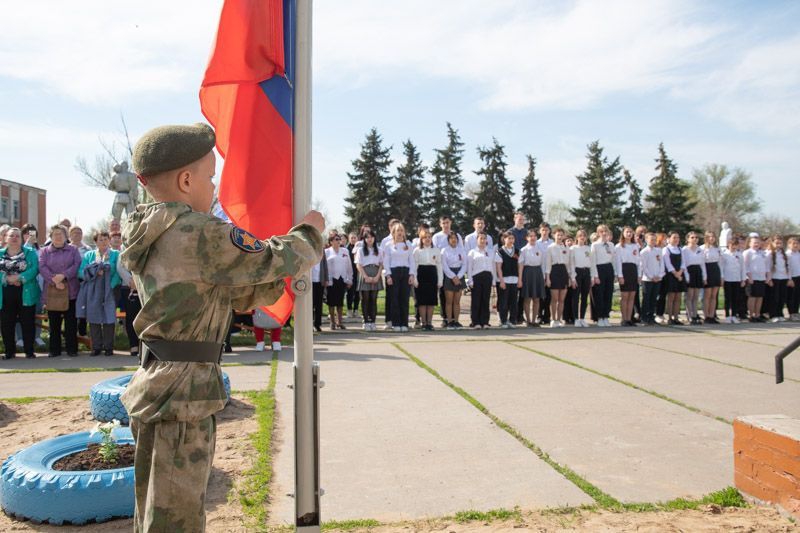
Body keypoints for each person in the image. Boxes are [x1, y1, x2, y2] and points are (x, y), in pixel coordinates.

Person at [119, 123, 324, 532]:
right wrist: (310, 232)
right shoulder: (197, 232)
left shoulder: (150, 230)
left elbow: (211, 294)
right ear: (186, 179)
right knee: (174, 519)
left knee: (153, 511)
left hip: (160, 387)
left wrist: (268, 289)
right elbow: (269, 258)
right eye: (211, 176)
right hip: (182, 396)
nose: (213, 187)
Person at [38, 225, 82, 357]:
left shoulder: (73, 250)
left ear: (66, 236)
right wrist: (54, 280)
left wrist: (63, 276)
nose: (58, 236)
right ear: (50, 237)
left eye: (61, 234)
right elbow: (42, 267)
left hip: (71, 291)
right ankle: (54, 350)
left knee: (71, 323)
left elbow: (77, 265)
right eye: (55, 234)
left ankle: (72, 349)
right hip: (52, 292)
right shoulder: (44, 251)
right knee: (54, 324)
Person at [78, 231, 121, 356]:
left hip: (111, 290)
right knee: (94, 318)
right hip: (93, 291)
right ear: (95, 242)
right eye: (100, 240)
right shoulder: (89, 255)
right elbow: (80, 272)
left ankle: (108, 347)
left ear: (109, 241)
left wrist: (110, 286)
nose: (103, 242)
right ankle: (96, 347)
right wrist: (94, 272)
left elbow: (118, 273)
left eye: (105, 239)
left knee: (109, 318)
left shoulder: (116, 254)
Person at [0, 228, 40, 359]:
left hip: (26, 291)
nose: (15, 238)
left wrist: (19, 278)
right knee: (7, 323)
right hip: (5, 292)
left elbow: (34, 269)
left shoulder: (30, 252)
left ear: (21, 238)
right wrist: (7, 279)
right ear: (6, 238)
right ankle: (9, 352)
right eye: (11, 236)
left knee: (27, 322)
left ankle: (29, 351)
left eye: (17, 236)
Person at [384, 223, 416, 332]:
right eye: (398, 230)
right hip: (394, 272)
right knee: (394, 299)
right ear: (393, 232)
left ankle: (404, 323)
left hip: (405, 272)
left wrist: (412, 274)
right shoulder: (389, 245)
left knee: (404, 299)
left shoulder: (408, 244)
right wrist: (388, 275)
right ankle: (396, 323)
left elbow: (411, 260)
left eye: (401, 230)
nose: (400, 233)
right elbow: (386, 262)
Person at [412, 228, 442, 331]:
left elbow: (439, 266)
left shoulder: (436, 250)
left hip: (432, 275)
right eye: (425, 237)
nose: (428, 239)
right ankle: (423, 322)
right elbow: (414, 266)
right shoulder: (417, 250)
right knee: (422, 301)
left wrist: (440, 280)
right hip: (421, 275)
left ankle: (429, 322)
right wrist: (415, 279)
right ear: (421, 239)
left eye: (429, 237)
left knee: (431, 301)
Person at [355, 229, 383, 331]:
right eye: (367, 237)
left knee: (373, 299)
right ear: (364, 239)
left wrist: (377, 276)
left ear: (374, 238)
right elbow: (358, 264)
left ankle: (373, 321)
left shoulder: (379, 250)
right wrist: (365, 276)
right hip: (365, 273)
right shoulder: (360, 250)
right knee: (365, 299)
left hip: (376, 273)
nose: (369, 239)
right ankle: (366, 321)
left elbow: (381, 264)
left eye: (371, 237)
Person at [544, 228, 572, 328]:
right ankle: (553, 319)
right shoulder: (550, 248)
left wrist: (570, 277)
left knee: (561, 299)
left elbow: (568, 264)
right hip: (554, 272)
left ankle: (559, 319)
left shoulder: (566, 248)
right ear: (554, 235)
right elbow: (548, 264)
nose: (559, 237)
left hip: (563, 272)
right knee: (554, 298)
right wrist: (547, 277)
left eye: (561, 235)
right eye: (558, 235)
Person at [325, 233, 353, 330]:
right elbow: (325, 268)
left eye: (339, 239)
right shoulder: (327, 252)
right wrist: (325, 280)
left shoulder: (345, 251)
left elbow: (349, 266)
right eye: (336, 239)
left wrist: (350, 279)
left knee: (340, 302)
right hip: (331, 280)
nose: (338, 241)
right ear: (331, 241)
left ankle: (340, 322)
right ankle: (332, 322)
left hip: (342, 279)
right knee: (331, 302)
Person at [466, 232, 494, 329]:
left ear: (487, 240)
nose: (482, 240)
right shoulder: (472, 252)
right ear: (477, 240)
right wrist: (470, 281)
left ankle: (485, 321)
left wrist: (493, 280)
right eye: (480, 238)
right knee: (476, 300)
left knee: (485, 300)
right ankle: (476, 321)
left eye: (484, 238)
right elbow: (469, 268)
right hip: (476, 277)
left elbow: (493, 266)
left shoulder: (490, 252)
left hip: (487, 277)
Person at [518, 229, 545, 327]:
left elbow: (543, 264)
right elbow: (521, 265)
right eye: (531, 236)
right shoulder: (523, 250)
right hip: (527, 273)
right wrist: (520, 279)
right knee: (527, 298)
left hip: (537, 273)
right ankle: (528, 320)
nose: (533, 238)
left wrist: (544, 277)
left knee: (536, 299)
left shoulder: (540, 250)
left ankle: (534, 320)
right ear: (527, 238)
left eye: (534, 236)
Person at [614, 226, 641, 326]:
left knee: (632, 296)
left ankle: (629, 318)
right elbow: (618, 262)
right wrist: (620, 275)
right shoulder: (619, 246)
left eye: (631, 232)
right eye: (627, 232)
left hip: (633, 270)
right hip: (624, 270)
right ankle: (624, 318)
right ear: (623, 233)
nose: (629, 234)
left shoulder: (635, 246)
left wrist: (639, 275)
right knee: (625, 296)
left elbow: (638, 261)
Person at [117, 253, 142, 356]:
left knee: (144, 318)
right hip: (128, 287)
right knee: (131, 317)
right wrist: (131, 281)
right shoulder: (123, 249)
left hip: (144, 285)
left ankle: (144, 345)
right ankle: (133, 345)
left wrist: (140, 281)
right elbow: (120, 267)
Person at [590, 225, 615, 327]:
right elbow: (593, 261)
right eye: (601, 232)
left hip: (609, 268)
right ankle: (599, 317)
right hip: (599, 269)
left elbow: (613, 259)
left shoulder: (611, 244)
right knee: (599, 294)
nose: (604, 233)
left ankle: (606, 316)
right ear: (598, 233)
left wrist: (615, 273)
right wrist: (595, 276)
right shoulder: (595, 245)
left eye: (605, 231)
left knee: (608, 294)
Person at [442, 231, 466, 329]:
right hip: (449, 275)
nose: (454, 240)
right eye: (451, 238)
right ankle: (449, 321)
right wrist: (453, 276)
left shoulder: (461, 250)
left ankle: (456, 321)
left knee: (457, 301)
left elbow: (464, 265)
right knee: (449, 301)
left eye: (455, 238)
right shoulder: (444, 250)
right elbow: (444, 266)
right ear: (448, 240)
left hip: (459, 275)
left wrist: (459, 276)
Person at [495, 231, 519, 328]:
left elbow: (519, 266)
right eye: (509, 238)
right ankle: (503, 320)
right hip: (504, 280)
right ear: (504, 239)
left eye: (512, 238)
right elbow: (498, 268)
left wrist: (520, 279)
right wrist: (501, 281)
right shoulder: (500, 251)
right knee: (503, 302)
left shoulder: (517, 251)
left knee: (513, 302)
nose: (511, 240)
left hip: (514, 280)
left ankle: (512, 321)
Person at [743, 234, 770, 322]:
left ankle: (757, 314)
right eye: (754, 242)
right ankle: (751, 315)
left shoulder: (762, 253)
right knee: (752, 297)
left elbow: (767, 266)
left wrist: (768, 276)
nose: (756, 244)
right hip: (752, 278)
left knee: (760, 297)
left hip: (761, 278)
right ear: (750, 243)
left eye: (758, 242)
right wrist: (749, 277)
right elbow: (745, 266)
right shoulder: (747, 252)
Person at [682, 232, 707, 325]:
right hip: (689, 271)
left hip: (698, 271)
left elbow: (702, 264)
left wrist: (704, 276)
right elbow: (683, 263)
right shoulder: (684, 250)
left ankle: (695, 314)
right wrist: (687, 276)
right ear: (688, 239)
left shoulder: (700, 249)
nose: (695, 239)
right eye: (692, 237)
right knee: (689, 295)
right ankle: (689, 315)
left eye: (696, 237)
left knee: (696, 296)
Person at [639, 232, 664, 326]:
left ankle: (651, 317)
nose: (653, 241)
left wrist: (660, 275)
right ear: (646, 240)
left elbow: (662, 264)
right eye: (651, 239)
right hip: (647, 279)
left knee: (654, 299)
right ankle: (644, 317)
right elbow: (644, 267)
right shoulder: (644, 252)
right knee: (647, 299)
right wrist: (651, 276)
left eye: (654, 239)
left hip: (657, 279)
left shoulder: (658, 251)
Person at [663, 231, 687, 325]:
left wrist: (680, 272)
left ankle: (676, 317)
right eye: (674, 237)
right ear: (669, 239)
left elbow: (683, 262)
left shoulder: (680, 250)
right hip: (671, 275)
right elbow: (668, 264)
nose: (676, 239)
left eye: (677, 237)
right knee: (671, 297)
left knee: (678, 297)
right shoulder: (666, 249)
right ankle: (670, 318)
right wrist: (676, 274)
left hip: (680, 275)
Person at [721, 235, 746, 324]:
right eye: (732, 245)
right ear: (729, 245)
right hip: (727, 279)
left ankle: (734, 315)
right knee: (728, 298)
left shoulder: (739, 255)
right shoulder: (724, 254)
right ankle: (727, 315)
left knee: (736, 298)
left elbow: (743, 268)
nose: (733, 247)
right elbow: (722, 267)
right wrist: (722, 278)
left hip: (737, 279)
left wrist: (743, 279)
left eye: (735, 245)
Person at [570, 229, 592, 328]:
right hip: (577, 272)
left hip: (586, 272)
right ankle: (575, 318)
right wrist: (573, 278)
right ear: (577, 237)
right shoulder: (573, 249)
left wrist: (592, 276)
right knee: (575, 297)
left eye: (584, 236)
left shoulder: (588, 248)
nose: (582, 237)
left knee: (584, 297)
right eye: (580, 236)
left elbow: (591, 262)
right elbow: (571, 264)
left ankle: (582, 318)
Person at [767, 235, 790, 322]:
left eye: (780, 243)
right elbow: (767, 267)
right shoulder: (770, 254)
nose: (778, 244)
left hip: (783, 278)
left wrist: (789, 278)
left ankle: (780, 314)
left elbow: (788, 267)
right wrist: (769, 279)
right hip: (774, 278)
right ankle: (773, 315)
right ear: (772, 243)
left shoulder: (784, 254)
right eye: (776, 243)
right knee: (774, 298)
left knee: (782, 297)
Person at [701, 231, 722, 324]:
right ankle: (706, 316)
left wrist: (722, 276)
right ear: (706, 238)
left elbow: (720, 263)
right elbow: (702, 263)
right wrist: (704, 276)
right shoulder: (702, 248)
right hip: (707, 269)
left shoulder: (717, 249)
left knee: (714, 295)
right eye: (710, 237)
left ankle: (712, 315)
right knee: (707, 295)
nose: (712, 238)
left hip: (715, 270)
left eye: (713, 237)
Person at [311, 254, 330, 333]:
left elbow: (325, 265)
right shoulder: (308, 248)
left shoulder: (321, 251)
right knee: (310, 304)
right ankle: (309, 324)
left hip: (320, 281)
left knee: (319, 304)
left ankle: (317, 324)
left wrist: (326, 278)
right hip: (310, 281)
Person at [345, 232, 360, 319]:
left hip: (358, 273)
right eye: (352, 238)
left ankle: (356, 309)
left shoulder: (360, 248)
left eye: (355, 238)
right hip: (350, 273)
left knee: (357, 292)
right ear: (349, 239)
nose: (353, 239)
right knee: (350, 293)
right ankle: (349, 309)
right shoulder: (347, 249)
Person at [787, 237, 800, 321]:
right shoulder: (787, 254)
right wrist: (789, 279)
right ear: (789, 245)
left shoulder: (798, 253)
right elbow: (788, 268)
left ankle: (796, 312)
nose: (795, 245)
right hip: (792, 278)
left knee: (798, 296)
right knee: (791, 296)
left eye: (797, 243)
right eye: (793, 243)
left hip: (799, 276)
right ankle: (791, 313)